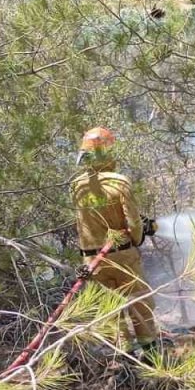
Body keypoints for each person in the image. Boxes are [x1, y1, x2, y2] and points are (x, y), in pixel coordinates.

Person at [71, 126, 161, 355]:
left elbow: (87, 221)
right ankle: (151, 356)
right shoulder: (119, 182)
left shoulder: (77, 185)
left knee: (111, 309)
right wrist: (141, 233)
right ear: (108, 152)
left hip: (93, 260)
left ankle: (124, 356)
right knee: (139, 303)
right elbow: (133, 224)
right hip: (123, 256)